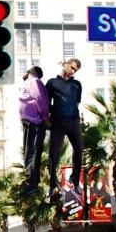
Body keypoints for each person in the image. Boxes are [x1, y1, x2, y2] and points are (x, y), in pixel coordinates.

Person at [47, 58, 84, 201]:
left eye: (75, 70)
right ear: (65, 64)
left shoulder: (77, 84)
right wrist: (50, 117)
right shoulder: (52, 83)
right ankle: (52, 184)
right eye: (72, 67)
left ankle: (74, 180)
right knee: (54, 153)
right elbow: (46, 103)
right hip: (57, 121)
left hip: (73, 120)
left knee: (79, 148)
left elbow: (76, 102)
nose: (73, 71)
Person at [18, 65, 49, 196]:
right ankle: (30, 181)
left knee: (33, 150)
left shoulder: (34, 81)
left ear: (33, 72)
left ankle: (32, 182)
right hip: (29, 121)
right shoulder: (29, 82)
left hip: (35, 121)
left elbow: (40, 100)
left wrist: (44, 117)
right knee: (29, 150)